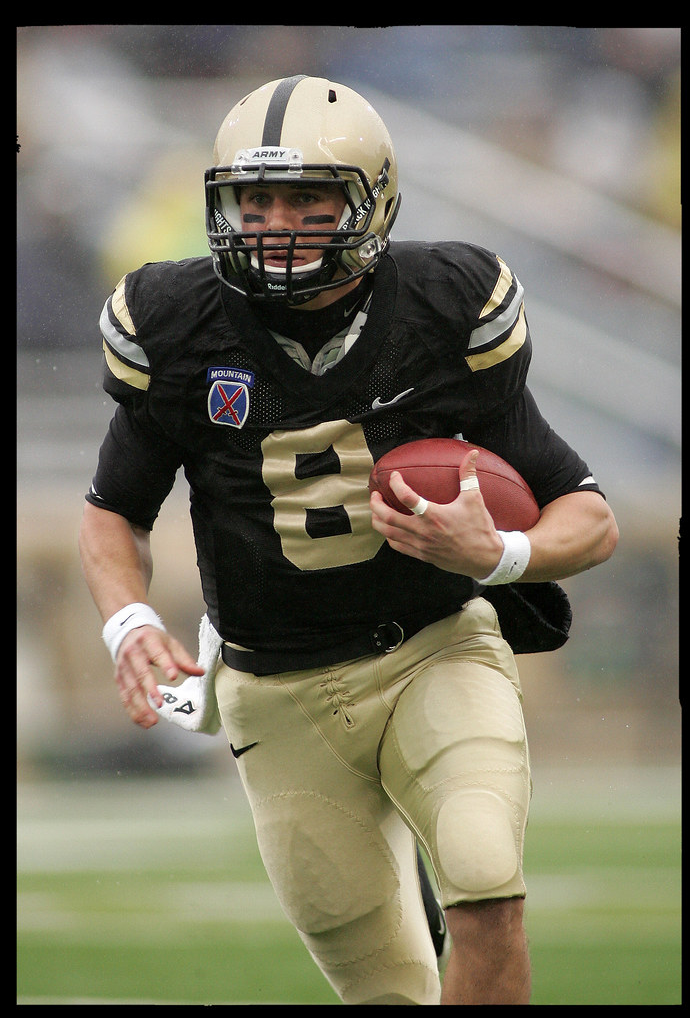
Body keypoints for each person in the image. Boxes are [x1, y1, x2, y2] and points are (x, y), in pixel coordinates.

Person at [79, 74, 618, 1005]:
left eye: (309, 197)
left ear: (371, 201)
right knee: (386, 989)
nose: (276, 222)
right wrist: (127, 622)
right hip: (275, 691)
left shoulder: (445, 309)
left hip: (431, 652)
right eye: (256, 199)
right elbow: (114, 509)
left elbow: (589, 515)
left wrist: (498, 557)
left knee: (487, 885)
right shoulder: (178, 325)